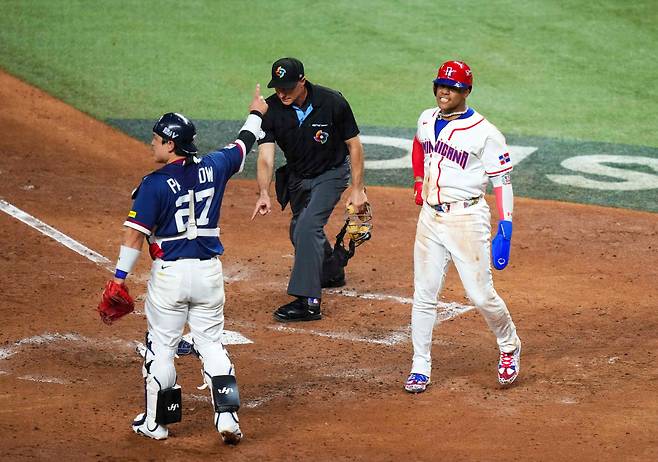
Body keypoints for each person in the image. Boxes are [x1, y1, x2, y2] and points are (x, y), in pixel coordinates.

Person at [102, 85, 268, 442]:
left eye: (157, 139)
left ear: (171, 144)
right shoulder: (215, 165)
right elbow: (243, 144)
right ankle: (227, 419)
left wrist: (118, 279)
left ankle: (156, 424)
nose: (152, 143)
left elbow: (134, 236)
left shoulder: (154, 184)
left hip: (171, 276)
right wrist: (256, 111)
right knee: (209, 342)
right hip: (209, 274)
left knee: (161, 347)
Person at [405, 60, 522, 393]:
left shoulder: (486, 133)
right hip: (430, 217)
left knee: (481, 295)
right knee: (424, 293)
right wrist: (418, 179)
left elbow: (503, 183)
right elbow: (418, 143)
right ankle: (420, 366)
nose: (445, 91)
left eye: (453, 87)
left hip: (467, 219)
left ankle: (509, 345)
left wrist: (506, 228)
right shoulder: (427, 118)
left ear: (466, 91)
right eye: (441, 85)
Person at [251, 57, 368, 323]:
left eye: (288, 88)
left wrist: (357, 188)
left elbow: (355, 146)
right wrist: (264, 192)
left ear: (302, 82)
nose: (282, 93)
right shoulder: (271, 110)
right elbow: (266, 157)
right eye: (278, 87)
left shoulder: (332, 102)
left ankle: (308, 302)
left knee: (307, 227)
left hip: (331, 174)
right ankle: (330, 270)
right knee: (298, 230)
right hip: (298, 178)